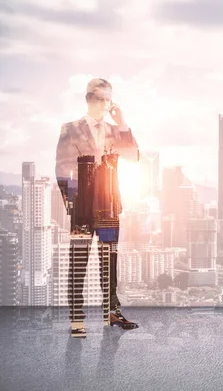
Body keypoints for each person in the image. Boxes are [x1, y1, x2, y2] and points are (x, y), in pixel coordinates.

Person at [56, 78, 140, 337]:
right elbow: (61, 169)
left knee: (109, 262)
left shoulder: (116, 132)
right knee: (78, 263)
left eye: (108, 99)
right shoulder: (70, 129)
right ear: (89, 99)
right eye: (100, 98)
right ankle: (76, 320)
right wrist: (73, 205)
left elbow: (134, 156)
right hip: (82, 209)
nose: (105, 103)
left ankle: (112, 313)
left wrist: (123, 123)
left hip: (108, 208)